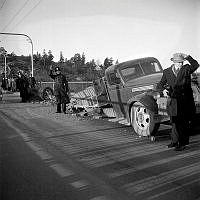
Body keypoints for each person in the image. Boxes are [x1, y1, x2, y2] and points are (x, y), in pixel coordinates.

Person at [157, 53, 199, 151]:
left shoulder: (187, 68)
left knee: (183, 122)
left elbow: (196, 65)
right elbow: (160, 84)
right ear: (174, 62)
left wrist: (188, 57)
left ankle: (183, 143)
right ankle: (174, 141)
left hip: (185, 100)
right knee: (175, 122)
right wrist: (162, 90)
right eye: (179, 62)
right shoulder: (167, 71)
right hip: (174, 100)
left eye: (182, 62)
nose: (181, 63)